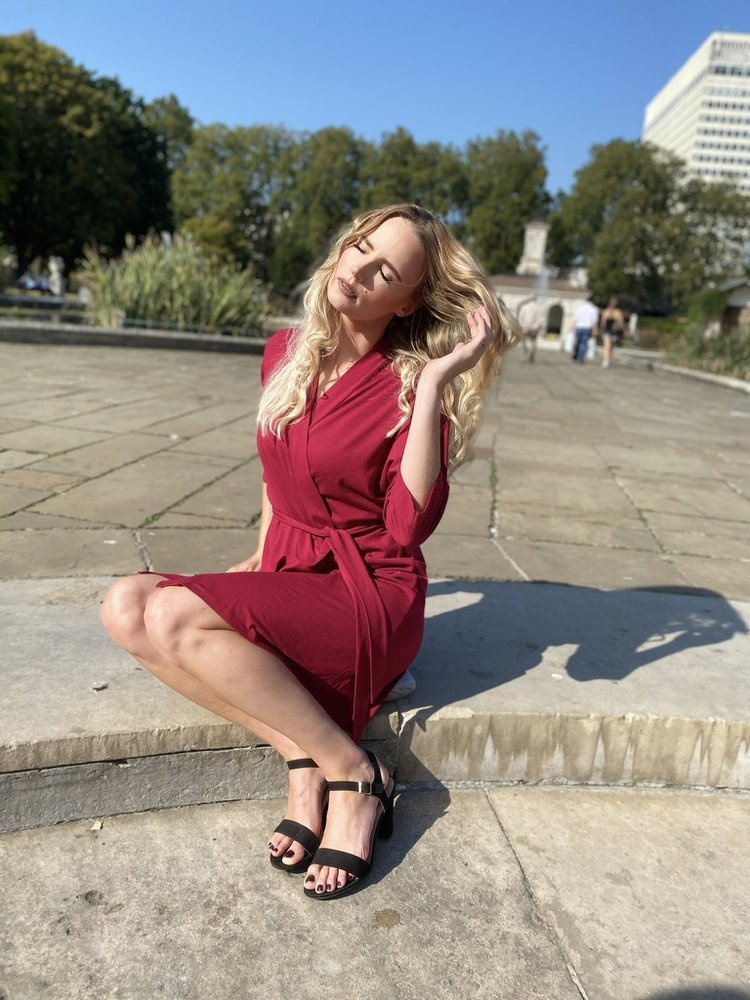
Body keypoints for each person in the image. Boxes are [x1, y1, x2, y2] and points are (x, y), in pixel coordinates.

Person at [100, 204, 517, 901]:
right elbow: (277, 474)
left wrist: (435, 386)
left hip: (368, 589)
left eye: (385, 270)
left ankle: (354, 777)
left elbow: (407, 528)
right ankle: (303, 753)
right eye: (360, 248)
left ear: (406, 301)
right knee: (123, 606)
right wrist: (260, 555)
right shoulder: (284, 352)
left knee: (170, 616)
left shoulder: (410, 383)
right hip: (293, 569)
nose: (359, 269)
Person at [572, 294, 599, 364]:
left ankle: (576, 356)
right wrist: (595, 330)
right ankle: (580, 359)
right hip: (587, 327)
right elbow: (594, 321)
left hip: (579, 327)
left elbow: (575, 318)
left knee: (578, 343)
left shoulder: (580, 308)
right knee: (583, 344)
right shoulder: (594, 309)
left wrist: (573, 327)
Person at [600, 296, 624, 368]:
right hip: (611, 331)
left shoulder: (607, 311)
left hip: (610, 331)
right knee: (609, 346)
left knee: (608, 346)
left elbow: (603, 323)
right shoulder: (617, 312)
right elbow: (621, 322)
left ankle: (607, 360)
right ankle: (607, 360)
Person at [517, 294, 542, 362]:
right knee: (533, 342)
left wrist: (523, 325)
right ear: (536, 299)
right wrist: (534, 326)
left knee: (524, 342)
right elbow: (540, 320)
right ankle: (531, 354)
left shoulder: (524, 307)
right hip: (533, 329)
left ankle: (523, 356)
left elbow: (520, 317)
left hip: (525, 328)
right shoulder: (538, 308)